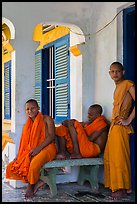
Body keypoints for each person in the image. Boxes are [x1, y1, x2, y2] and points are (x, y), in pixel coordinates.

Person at [6, 99, 57, 198]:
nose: (30, 111)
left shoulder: (47, 119)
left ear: (38, 108)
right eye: (27, 109)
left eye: (33, 108)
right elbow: (26, 143)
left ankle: (31, 186)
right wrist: (19, 155)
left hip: (48, 148)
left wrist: (38, 148)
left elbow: (51, 137)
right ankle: (40, 180)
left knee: (34, 164)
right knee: (13, 165)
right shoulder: (28, 125)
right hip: (34, 149)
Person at [104, 62, 135, 200]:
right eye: (112, 71)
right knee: (113, 157)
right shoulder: (117, 87)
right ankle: (123, 187)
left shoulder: (128, 84)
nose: (115, 74)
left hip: (121, 127)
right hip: (114, 127)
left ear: (123, 72)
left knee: (120, 159)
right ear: (110, 74)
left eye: (118, 71)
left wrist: (128, 120)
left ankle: (121, 188)